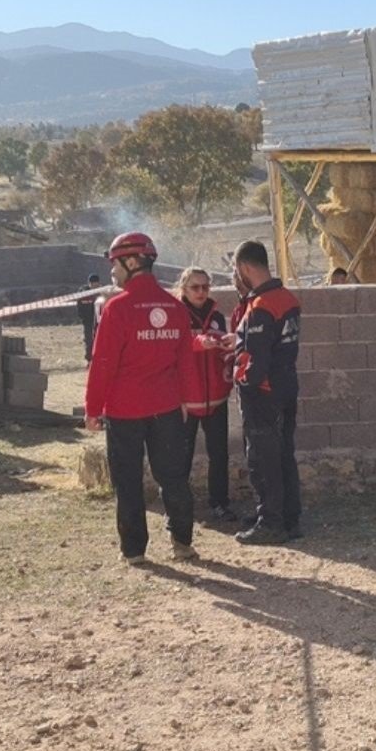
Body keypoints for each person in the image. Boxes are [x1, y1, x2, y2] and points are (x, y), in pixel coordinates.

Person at [84, 233, 198, 567]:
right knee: (174, 476)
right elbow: (186, 362)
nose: (113, 272)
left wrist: (93, 410)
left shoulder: (117, 308)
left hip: (125, 411)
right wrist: (188, 400)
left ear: (132, 262)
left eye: (115, 264)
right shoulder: (175, 307)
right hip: (166, 408)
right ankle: (182, 543)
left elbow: (102, 364)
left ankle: (134, 551)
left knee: (128, 480)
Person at [225, 241, 302, 544]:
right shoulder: (288, 298)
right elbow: (272, 342)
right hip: (286, 385)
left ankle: (270, 522)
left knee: (262, 457)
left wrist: (238, 376)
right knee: (283, 453)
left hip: (263, 392)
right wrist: (239, 339)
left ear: (244, 268)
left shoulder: (260, 306)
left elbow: (254, 363)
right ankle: (289, 517)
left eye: (236, 271)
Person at [175, 266, 237, 523]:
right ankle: (177, 505)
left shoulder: (217, 315)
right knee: (181, 456)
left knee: (219, 454)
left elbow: (222, 353)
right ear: (184, 289)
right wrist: (198, 343)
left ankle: (219, 503)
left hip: (215, 398)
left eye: (205, 286)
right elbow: (172, 350)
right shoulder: (175, 314)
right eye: (195, 287)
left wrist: (226, 346)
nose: (201, 292)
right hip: (186, 400)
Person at [77, 273, 102, 361]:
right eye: (92, 285)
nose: (94, 287)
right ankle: (89, 360)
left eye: (96, 285)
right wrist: (83, 318)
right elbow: (79, 306)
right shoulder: (83, 292)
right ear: (89, 284)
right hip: (88, 321)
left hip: (101, 321)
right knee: (89, 341)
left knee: (100, 340)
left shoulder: (103, 292)